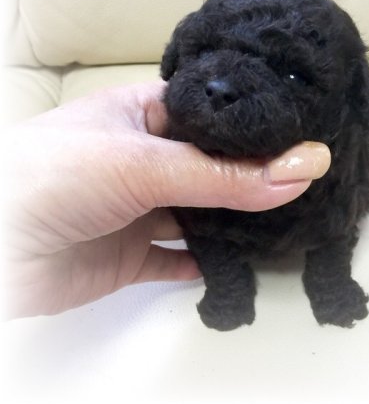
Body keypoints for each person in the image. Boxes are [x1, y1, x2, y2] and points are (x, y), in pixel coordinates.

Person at [2, 80, 330, 319]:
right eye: (203, 50)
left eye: (291, 76)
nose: (221, 86)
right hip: (207, 228)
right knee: (209, 242)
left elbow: (335, 230)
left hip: (310, 214)